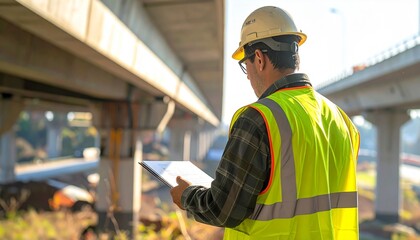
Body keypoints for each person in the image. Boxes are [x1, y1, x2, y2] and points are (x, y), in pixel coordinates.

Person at [170, 6, 360, 240]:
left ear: (259, 59)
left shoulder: (259, 118)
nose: (248, 75)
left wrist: (186, 196)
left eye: (245, 65)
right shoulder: (341, 120)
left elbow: (222, 209)